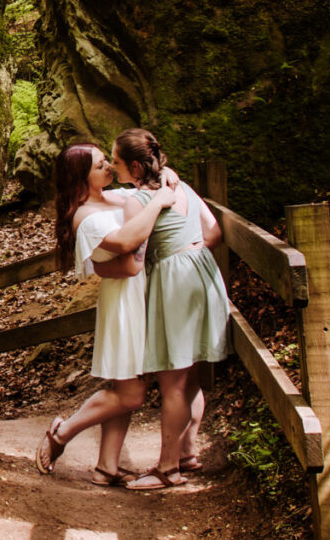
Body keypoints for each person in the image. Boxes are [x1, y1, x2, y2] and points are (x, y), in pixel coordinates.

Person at [35, 142, 175, 484]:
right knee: (131, 393)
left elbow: (150, 191)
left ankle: (106, 467)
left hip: (141, 292)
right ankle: (62, 434)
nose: (109, 169)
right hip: (125, 303)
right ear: (81, 176)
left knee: (128, 383)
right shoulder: (84, 216)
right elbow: (128, 243)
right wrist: (158, 202)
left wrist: (163, 179)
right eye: (100, 165)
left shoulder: (114, 196)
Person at [111, 128, 230, 490]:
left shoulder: (139, 200)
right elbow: (213, 232)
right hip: (202, 272)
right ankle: (187, 452)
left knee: (172, 382)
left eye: (115, 162)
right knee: (190, 373)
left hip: (174, 281)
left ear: (133, 165)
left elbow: (135, 251)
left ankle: (167, 468)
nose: (113, 169)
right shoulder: (183, 188)